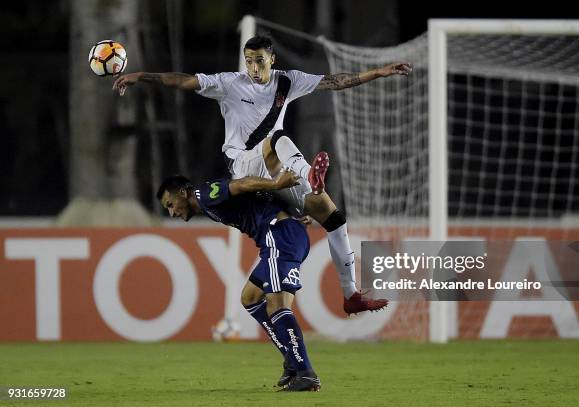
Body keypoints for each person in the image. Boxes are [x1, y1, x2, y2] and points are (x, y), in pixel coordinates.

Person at [113, 35, 410, 314]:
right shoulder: (229, 83)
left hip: (273, 169)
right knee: (276, 138)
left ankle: (351, 296)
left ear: (272, 59)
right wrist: (141, 77)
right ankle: (310, 178)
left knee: (333, 218)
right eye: (249, 60)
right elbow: (182, 81)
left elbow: (336, 81)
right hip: (242, 165)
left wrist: (379, 72)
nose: (253, 67)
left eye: (259, 60)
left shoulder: (288, 81)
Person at [156, 164, 320, 391]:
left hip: (278, 237)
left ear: (184, 193)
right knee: (250, 298)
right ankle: (292, 359)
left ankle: (305, 373)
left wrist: (276, 184)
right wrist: (293, 213)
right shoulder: (208, 205)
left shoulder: (204, 194)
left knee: (278, 306)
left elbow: (242, 184)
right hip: (282, 236)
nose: (172, 212)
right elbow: (257, 198)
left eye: (171, 205)